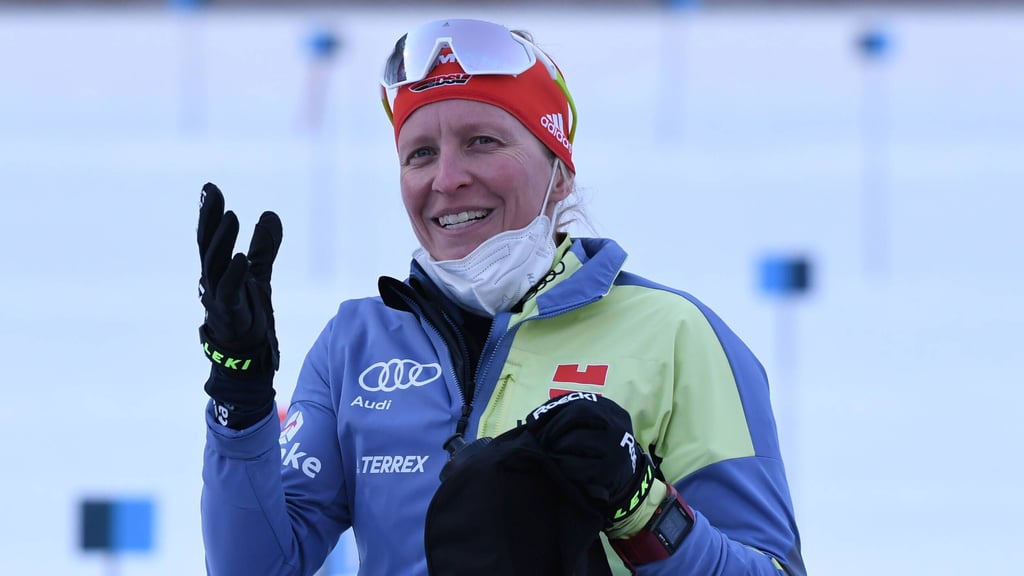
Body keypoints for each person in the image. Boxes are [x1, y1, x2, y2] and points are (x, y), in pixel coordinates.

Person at [197, 17, 805, 576]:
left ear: (559, 167)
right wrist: (240, 391)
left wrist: (642, 507)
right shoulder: (355, 345)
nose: (447, 179)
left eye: (482, 141)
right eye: (421, 154)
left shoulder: (675, 336)